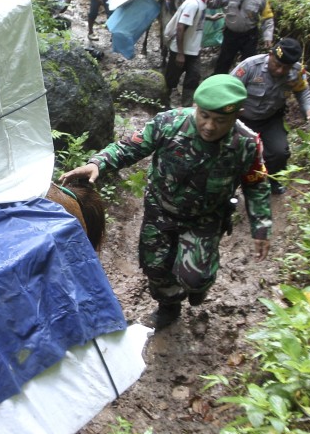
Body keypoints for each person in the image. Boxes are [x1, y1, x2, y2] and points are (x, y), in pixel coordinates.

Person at [60, 74, 272, 330]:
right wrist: (98, 163)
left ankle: (198, 283)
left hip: (205, 219)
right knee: (156, 268)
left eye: (220, 120)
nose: (209, 126)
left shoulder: (247, 144)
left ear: (237, 114)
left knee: (195, 278)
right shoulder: (169, 123)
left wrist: (261, 227)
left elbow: (256, 183)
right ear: (195, 106)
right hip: (161, 211)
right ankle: (169, 307)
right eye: (204, 116)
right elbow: (129, 147)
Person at [231, 37, 310, 195]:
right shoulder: (250, 66)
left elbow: (302, 91)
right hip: (242, 118)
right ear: (270, 55)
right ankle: (233, 185)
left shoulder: (297, 71)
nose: (280, 71)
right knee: (235, 151)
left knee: (280, 152)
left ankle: (274, 181)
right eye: (277, 65)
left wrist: (309, 108)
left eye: (285, 68)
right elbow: (227, 87)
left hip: (270, 119)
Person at [165, 0, 226, 107]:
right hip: (180, 50)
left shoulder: (202, 2)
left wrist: (211, 17)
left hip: (193, 49)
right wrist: (180, 54)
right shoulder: (192, 3)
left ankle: (186, 107)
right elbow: (180, 27)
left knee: (193, 78)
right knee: (171, 80)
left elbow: (196, 18)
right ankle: (164, 103)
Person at [210, 0, 275, 76]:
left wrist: (268, 36)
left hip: (249, 36)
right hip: (230, 34)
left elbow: (267, 18)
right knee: (223, 62)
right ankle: (217, 84)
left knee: (249, 64)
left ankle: (246, 88)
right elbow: (215, 2)